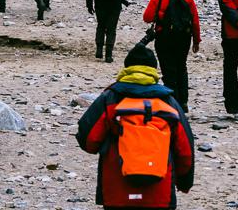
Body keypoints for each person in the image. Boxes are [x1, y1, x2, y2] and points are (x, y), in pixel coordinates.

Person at [76, 45, 194, 210]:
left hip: (116, 193)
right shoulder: (168, 101)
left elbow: (88, 140)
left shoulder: (110, 98)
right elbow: (185, 149)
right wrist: (184, 183)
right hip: (160, 193)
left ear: (127, 68)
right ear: (154, 69)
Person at [143, 0, 201, 112]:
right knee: (181, 67)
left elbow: (147, 17)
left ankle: (172, 101)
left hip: (164, 37)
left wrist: (161, 15)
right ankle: (184, 102)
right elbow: (194, 20)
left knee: (168, 70)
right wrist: (196, 40)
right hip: (184, 38)